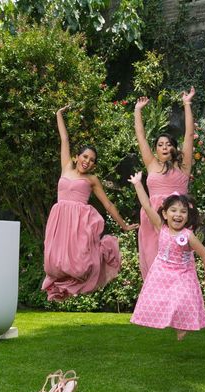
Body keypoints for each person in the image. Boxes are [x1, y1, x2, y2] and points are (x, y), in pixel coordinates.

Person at [42, 104, 138, 301]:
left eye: (92, 160)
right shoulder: (66, 167)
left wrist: (125, 226)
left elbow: (108, 205)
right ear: (77, 157)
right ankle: (60, 287)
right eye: (85, 156)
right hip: (60, 222)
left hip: (78, 225)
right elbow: (64, 139)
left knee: (80, 265)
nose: (88, 161)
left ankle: (93, 264)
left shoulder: (92, 180)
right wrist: (59, 114)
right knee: (54, 262)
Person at [128, 171, 205, 341]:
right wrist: (138, 184)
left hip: (182, 273)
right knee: (159, 301)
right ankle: (163, 321)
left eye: (183, 212)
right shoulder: (160, 226)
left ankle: (181, 326)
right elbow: (147, 206)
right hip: (162, 271)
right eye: (173, 210)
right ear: (165, 214)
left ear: (187, 216)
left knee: (181, 300)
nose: (178, 215)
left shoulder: (189, 235)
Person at [134, 88, 195, 280]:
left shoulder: (183, 166)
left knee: (177, 261)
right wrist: (137, 111)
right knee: (154, 262)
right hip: (152, 217)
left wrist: (187, 104)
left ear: (174, 148)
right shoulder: (151, 164)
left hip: (178, 216)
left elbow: (189, 135)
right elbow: (141, 137)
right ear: (156, 149)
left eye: (168, 144)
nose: (164, 147)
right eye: (160, 145)